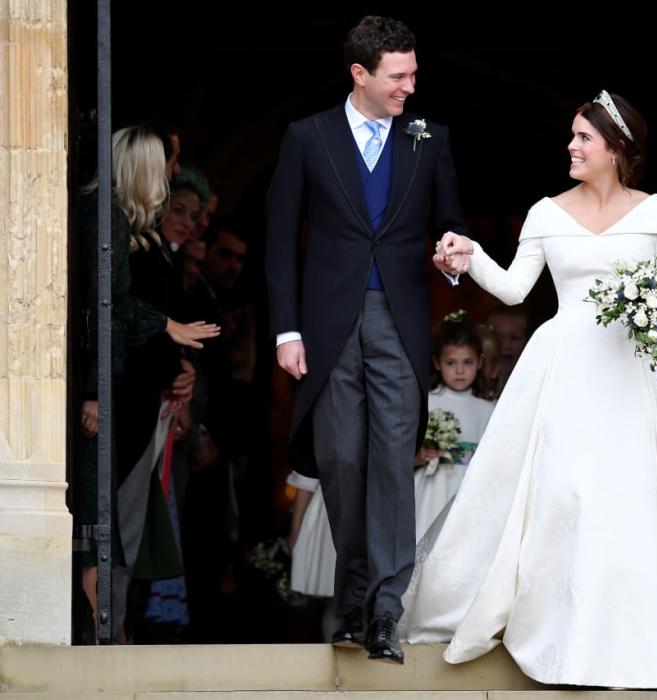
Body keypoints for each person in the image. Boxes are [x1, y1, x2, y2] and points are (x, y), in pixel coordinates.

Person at [403, 91, 657, 688]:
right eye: (571, 136)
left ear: (617, 149)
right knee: (566, 493)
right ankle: (563, 635)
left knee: (633, 499)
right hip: (564, 370)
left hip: (633, 374)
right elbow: (515, 290)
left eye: (583, 138)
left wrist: (648, 309)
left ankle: (635, 639)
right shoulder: (546, 212)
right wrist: (470, 257)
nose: (571, 146)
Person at [265, 15, 468, 663]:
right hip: (326, 329)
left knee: (391, 467)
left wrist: (452, 253)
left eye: (413, 72)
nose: (411, 85)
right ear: (360, 74)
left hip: (401, 324)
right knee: (343, 464)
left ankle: (383, 611)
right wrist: (287, 329)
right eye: (398, 75)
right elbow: (280, 239)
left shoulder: (430, 140)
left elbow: (450, 224)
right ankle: (351, 599)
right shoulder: (307, 137)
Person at [74, 125, 219, 640]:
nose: (169, 175)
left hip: (139, 397)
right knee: (111, 521)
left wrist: (180, 364)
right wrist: (164, 330)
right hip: (123, 395)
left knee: (125, 522)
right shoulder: (108, 223)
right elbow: (104, 309)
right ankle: (107, 634)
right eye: (164, 165)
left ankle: (116, 630)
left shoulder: (138, 232)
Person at [414, 313, 495, 540]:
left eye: (467, 362)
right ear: (437, 363)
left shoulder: (489, 407)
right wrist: (419, 456)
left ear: (479, 361)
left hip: (470, 489)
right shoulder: (427, 401)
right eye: (451, 363)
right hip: (432, 487)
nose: (460, 371)